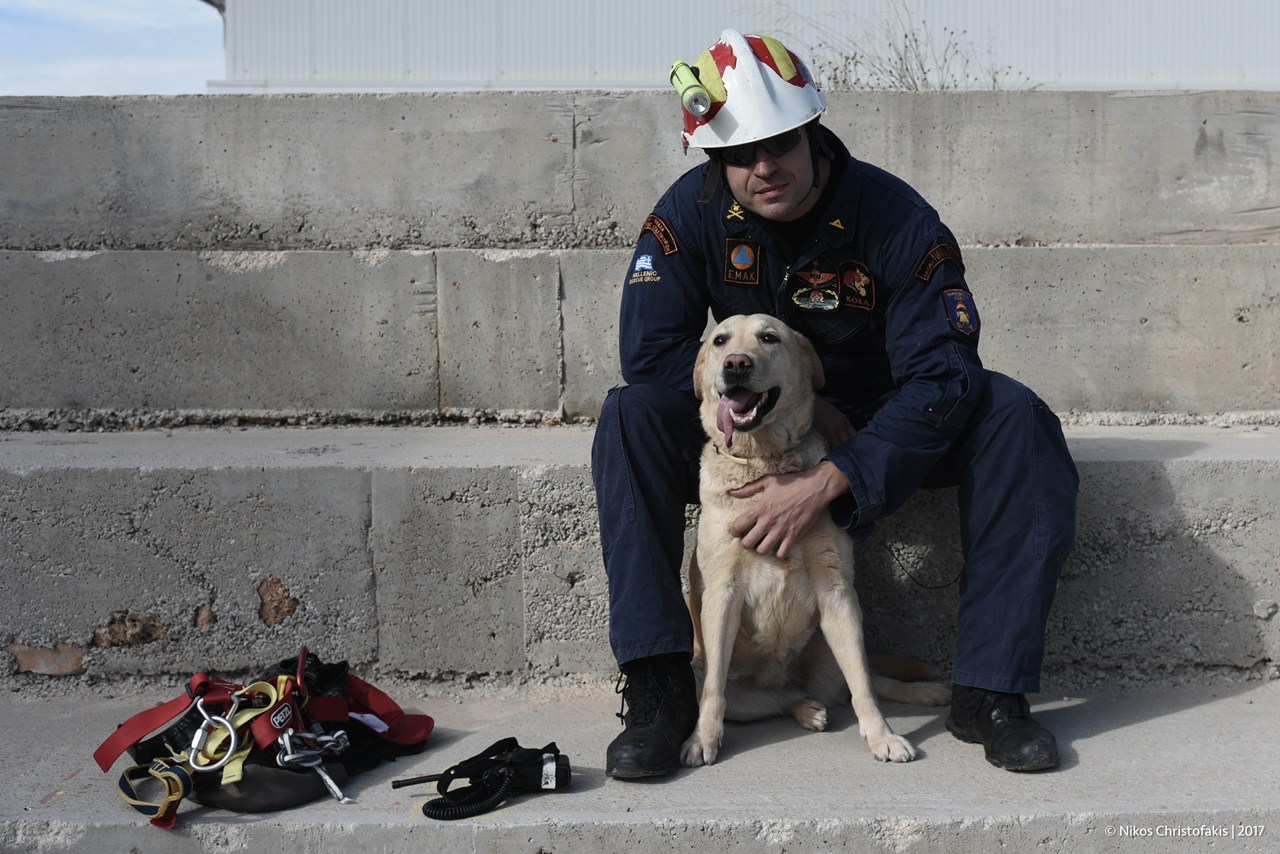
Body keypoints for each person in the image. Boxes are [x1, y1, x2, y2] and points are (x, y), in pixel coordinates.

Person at [591, 29, 1079, 779]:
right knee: (629, 415)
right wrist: (802, 412)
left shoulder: (895, 217)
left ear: (812, 132)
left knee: (1016, 418)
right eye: (738, 155)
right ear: (716, 161)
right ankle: (660, 688)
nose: (762, 167)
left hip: (890, 426)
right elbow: (655, 359)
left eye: (780, 144)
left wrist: (832, 474)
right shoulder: (688, 214)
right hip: (772, 414)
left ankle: (989, 692)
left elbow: (946, 373)